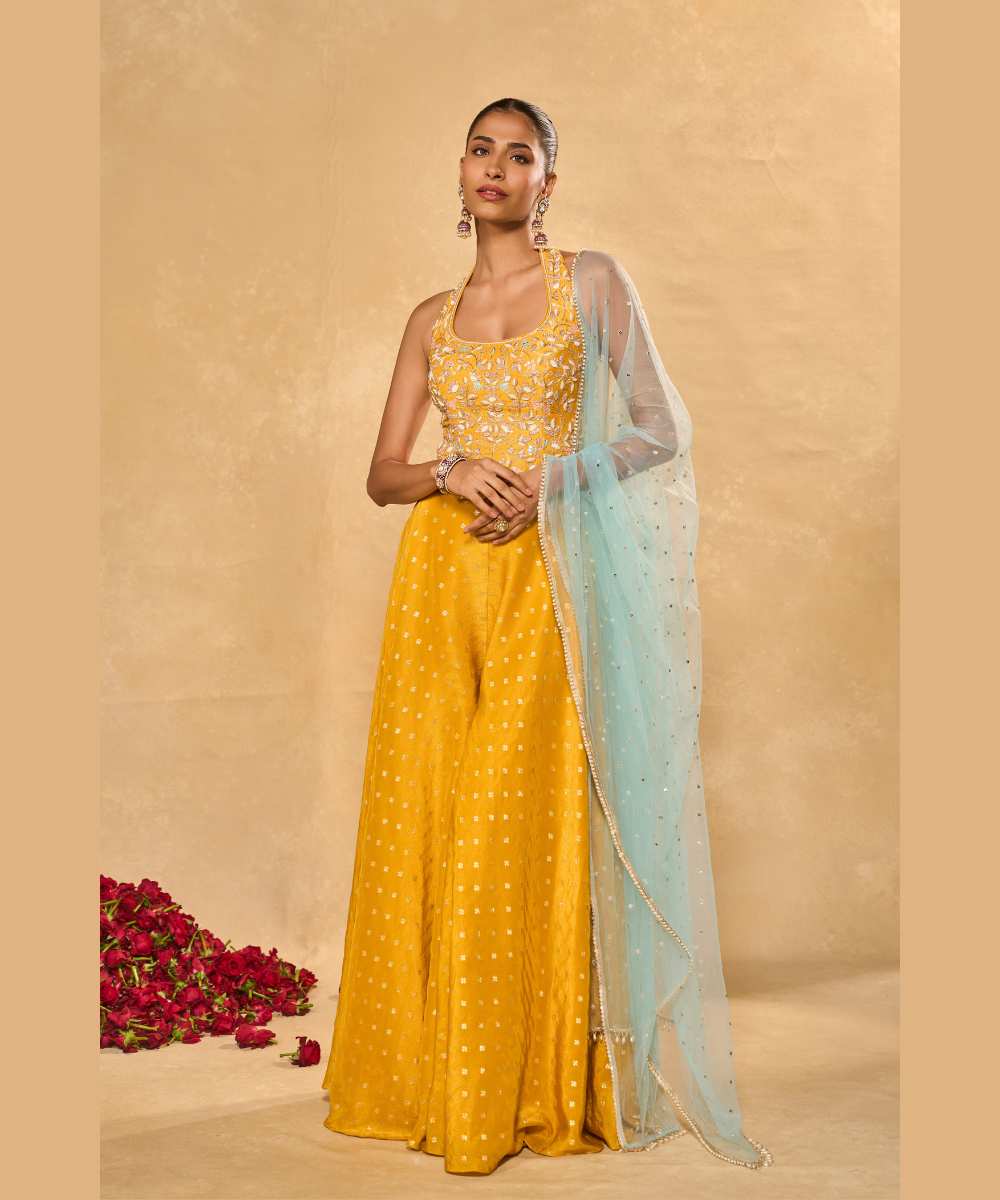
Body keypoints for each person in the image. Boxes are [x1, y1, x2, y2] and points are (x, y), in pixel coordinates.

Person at [321, 97, 772, 1177]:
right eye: (481, 149)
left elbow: (662, 428)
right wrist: (447, 469)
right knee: (430, 810)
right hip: (438, 585)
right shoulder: (430, 318)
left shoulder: (591, 283)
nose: (495, 166)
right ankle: (425, 1079)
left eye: (518, 154)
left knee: (510, 817)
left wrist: (552, 483)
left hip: (548, 578)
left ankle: (515, 1089)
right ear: (460, 171)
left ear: (546, 183)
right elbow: (382, 474)